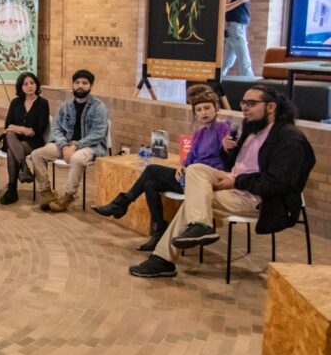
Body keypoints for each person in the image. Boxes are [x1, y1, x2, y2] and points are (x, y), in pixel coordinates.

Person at [130, 84, 315, 278]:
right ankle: (199, 227)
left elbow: (278, 182)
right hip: (235, 183)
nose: (244, 108)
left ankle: (164, 257)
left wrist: (235, 182)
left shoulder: (288, 138)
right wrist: (227, 151)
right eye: (243, 102)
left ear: (271, 107)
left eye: (251, 103)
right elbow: (235, 165)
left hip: (261, 199)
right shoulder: (252, 130)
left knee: (196, 201)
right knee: (194, 170)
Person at [94, 85, 229, 251]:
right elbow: (191, 157)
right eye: (199, 110)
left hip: (204, 182)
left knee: (152, 170)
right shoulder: (200, 133)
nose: (204, 112)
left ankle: (121, 203)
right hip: (188, 177)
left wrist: (226, 145)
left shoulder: (222, 127)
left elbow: (226, 150)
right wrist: (183, 166)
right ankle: (158, 233)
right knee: (150, 184)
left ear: (216, 108)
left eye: (207, 108)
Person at [31, 69, 109, 213]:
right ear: (72, 85)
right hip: (65, 145)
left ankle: (69, 195)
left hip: (90, 147)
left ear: (90, 86)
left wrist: (75, 145)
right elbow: (56, 129)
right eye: (77, 82)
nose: (80, 85)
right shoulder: (65, 106)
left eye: (84, 83)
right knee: (36, 154)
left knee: (77, 159)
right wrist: (64, 145)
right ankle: (46, 192)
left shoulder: (99, 107)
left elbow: (98, 134)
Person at [0, 72, 50, 205]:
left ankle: (12, 190)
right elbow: (8, 125)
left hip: (33, 142)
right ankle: (24, 167)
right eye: (25, 84)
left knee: (12, 150)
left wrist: (20, 129)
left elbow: (38, 130)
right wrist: (23, 129)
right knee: (10, 136)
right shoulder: (15, 102)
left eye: (32, 83)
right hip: (13, 139)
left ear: (36, 84)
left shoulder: (43, 103)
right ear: (20, 87)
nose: (29, 86)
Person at [222, 0, 257, 77]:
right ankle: (250, 89)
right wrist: (241, 0)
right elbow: (224, 7)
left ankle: (216, 83)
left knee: (227, 62)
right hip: (236, 28)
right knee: (245, 62)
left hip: (239, 28)